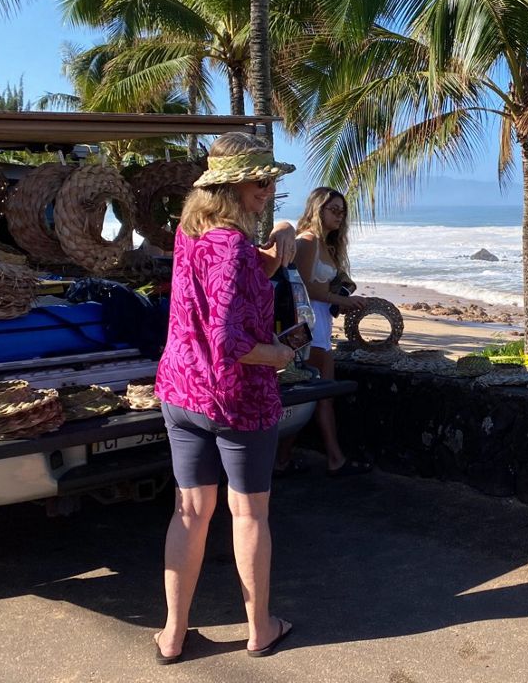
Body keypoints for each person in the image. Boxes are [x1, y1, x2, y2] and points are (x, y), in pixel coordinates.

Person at [152, 133, 301, 663]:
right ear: (232, 185)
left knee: (190, 511)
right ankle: (259, 628)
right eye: (260, 183)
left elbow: (229, 288)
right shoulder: (234, 247)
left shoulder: (192, 234)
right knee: (248, 514)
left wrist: (280, 234)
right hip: (236, 399)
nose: (268, 191)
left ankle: (172, 634)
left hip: (182, 389)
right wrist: (279, 356)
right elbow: (230, 342)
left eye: (270, 183)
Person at [274, 187, 372, 477]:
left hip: (319, 325)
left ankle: (284, 458)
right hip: (308, 328)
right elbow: (304, 286)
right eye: (334, 210)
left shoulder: (325, 244)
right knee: (320, 394)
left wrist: (339, 297)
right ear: (318, 210)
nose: (340, 216)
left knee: (310, 396)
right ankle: (334, 458)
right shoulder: (308, 241)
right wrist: (343, 300)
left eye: (343, 211)